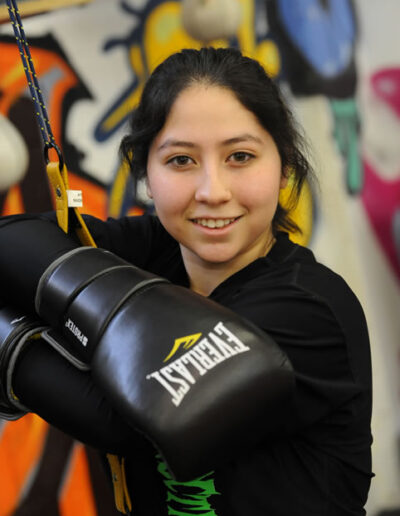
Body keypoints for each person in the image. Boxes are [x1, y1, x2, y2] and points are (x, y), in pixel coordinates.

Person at [0, 47, 372, 515]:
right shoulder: (159, 249)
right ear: (146, 176)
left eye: (240, 156)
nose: (212, 191)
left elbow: (128, 416)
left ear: (285, 169)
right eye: (180, 161)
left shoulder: (308, 308)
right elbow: (13, 242)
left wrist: (12, 338)